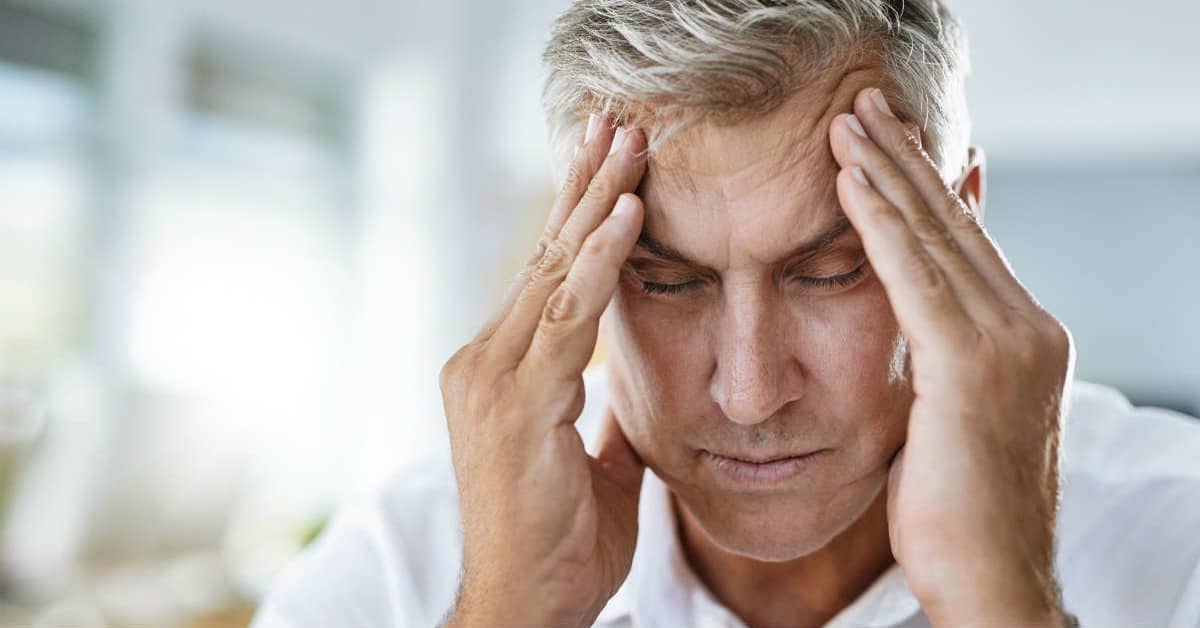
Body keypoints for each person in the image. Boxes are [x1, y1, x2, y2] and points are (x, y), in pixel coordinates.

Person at [252, 1, 1200, 626]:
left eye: (830, 271)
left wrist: (1007, 604)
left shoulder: (1178, 533)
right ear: (575, 256)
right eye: (666, 281)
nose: (749, 394)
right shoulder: (405, 567)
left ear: (964, 222)